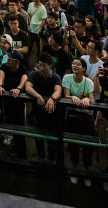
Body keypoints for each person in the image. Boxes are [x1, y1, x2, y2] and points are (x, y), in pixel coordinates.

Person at [61, 57, 96, 186]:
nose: (74, 66)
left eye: (78, 64)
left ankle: (86, 170)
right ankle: (75, 168)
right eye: (73, 64)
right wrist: (73, 97)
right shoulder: (67, 78)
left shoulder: (89, 82)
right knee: (72, 143)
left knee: (88, 144)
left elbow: (92, 100)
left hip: (86, 116)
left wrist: (87, 99)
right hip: (72, 115)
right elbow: (66, 95)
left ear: (84, 68)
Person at [25, 52, 62, 164]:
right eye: (40, 65)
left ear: (50, 66)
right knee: (38, 138)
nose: (42, 68)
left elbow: (58, 90)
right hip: (38, 114)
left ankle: (51, 159)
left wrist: (52, 98)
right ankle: (41, 158)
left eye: (44, 65)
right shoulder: (33, 74)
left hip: (52, 114)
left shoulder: (55, 77)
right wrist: (38, 96)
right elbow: (28, 87)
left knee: (52, 140)